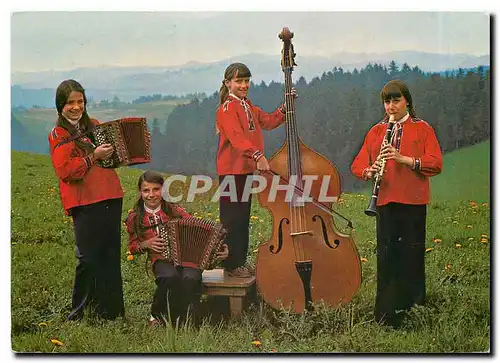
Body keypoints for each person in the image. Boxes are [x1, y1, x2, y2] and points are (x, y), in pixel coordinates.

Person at [351, 79, 443, 328]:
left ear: (407, 101)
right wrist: (369, 171)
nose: (391, 107)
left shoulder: (422, 129)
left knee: (411, 255)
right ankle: (387, 314)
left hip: (413, 202)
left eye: (396, 100)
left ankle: (414, 309)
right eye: (387, 101)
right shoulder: (377, 131)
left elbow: (436, 163)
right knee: (387, 257)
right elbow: (357, 165)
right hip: (385, 201)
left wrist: (404, 159)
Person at [48, 79, 125, 321]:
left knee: (110, 255)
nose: (76, 107)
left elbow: (112, 156)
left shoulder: (95, 125)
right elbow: (66, 171)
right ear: (61, 104)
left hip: (111, 195)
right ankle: (78, 313)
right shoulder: (58, 134)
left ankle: (110, 312)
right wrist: (94, 156)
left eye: (80, 101)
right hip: (84, 201)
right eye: (70, 102)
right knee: (88, 258)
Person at [215, 62, 296, 278]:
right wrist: (258, 156)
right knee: (232, 219)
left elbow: (268, 122)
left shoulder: (248, 106)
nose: (244, 85)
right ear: (227, 83)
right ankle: (231, 265)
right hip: (231, 171)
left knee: (242, 217)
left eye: (246, 81)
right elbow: (237, 137)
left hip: (243, 171)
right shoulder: (226, 108)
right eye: (239, 81)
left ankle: (238, 261)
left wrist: (284, 107)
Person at [125, 170, 229, 326]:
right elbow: (133, 247)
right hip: (160, 258)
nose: (151, 194)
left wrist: (219, 247)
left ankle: (186, 318)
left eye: (156, 189)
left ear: (162, 190)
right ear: (140, 192)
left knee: (191, 277)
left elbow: (198, 228)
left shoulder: (173, 210)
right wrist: (145, 244)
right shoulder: (135, 217)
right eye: (146, 190)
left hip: (186, 258)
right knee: (169, 277)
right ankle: (157, 316)